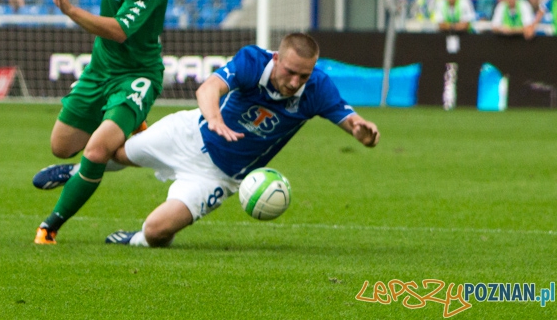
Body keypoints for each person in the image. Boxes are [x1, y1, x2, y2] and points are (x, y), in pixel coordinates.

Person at [32, 0, 272, 245]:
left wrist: (70, 10)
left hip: (137, 76)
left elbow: (117, 30)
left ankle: (50, 227)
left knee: (97, 151)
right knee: (60, 146)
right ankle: (127, 134)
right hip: (100, 69)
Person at [52, 33, 378, 247]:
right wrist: (214, 118)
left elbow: (351, 120)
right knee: (115, 153)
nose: (294, 82)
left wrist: (361, 131)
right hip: (190, 132)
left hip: (218, 176)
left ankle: (133, 240)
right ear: (276, 58)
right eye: (290, 71)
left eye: (302, 76)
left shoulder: (318, 88)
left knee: (156, 232)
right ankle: (78, 174)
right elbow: (208, 88)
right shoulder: (253, 60)